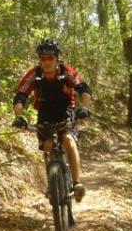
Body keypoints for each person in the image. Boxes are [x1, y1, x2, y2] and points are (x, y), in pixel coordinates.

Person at [12, 39, 92, 202]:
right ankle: (52, 182)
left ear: (56, 58)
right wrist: (19, 115)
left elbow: (83, 88)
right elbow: (21, 95)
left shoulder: (66, 72)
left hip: (65, 111)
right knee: (48, 145)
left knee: (68, 139)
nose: (46, 62)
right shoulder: (35, 74)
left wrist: (84, 106)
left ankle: (76, 183)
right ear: (39, 60)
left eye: (50, 58)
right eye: (43, 58)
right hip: (45, 112)